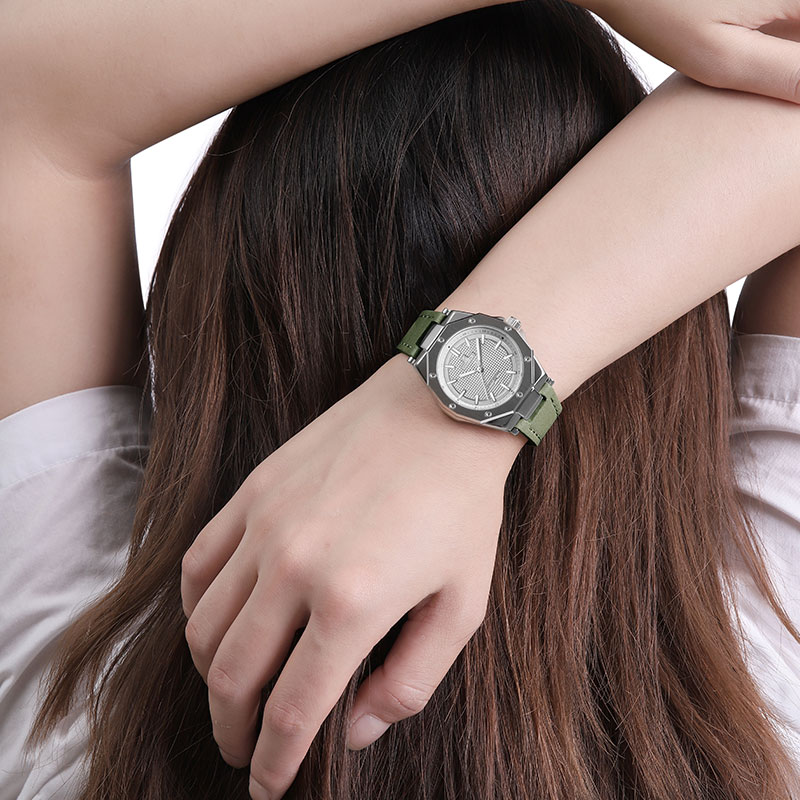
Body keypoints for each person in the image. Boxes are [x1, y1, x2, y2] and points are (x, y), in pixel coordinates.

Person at [1, 0, 800, 799]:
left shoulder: (71, 712)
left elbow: (19, 91)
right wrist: (456, 405)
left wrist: (434, 411)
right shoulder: (763, 708)